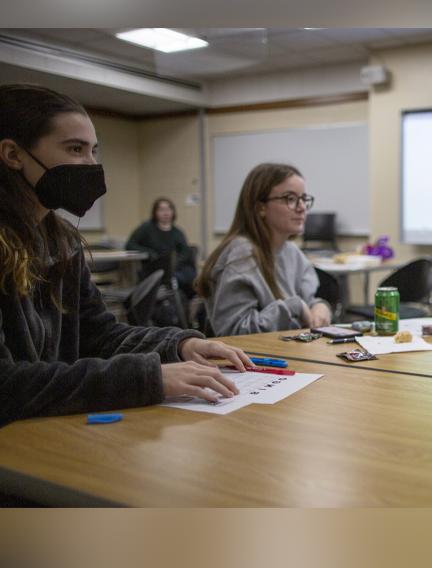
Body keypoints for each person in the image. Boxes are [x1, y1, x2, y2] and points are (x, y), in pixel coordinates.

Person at [0, 84, 251, 427]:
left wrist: (180, 345)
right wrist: (148, 378)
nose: (90, 165)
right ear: (13, 155)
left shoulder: (62, 242)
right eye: (75, 149)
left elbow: (100, 336)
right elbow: (8, 384)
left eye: (94, 151)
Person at [196, 163, 332, 336]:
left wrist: (320, 307)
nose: (302, 207)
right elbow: (234, 333)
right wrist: (295, 307)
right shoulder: (242, 254)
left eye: (304, 199)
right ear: (261, 207)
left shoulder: (291, 252)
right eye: (290, 198)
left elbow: (308, 301)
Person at [126, 197, 197, 299]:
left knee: (190, 276)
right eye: (161, 210)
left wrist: (176, 262)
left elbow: (185, 252)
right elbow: (130, 244)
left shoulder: (177, 232)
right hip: (154, 268)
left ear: (173, 212)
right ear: (155, 212)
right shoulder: (146, 228)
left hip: (174, 268)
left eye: (168, 209)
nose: (165, 213)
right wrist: (149, 252)